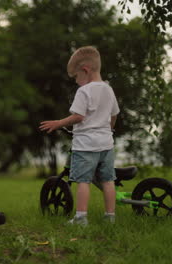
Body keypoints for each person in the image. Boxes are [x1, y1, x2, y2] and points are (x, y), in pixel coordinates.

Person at [39, 46, 120, 226]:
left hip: (86, 146)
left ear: (85, 70)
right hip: (106, 144)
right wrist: (110, 130)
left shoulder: (84, 91)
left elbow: (78, 116)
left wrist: (58, 123)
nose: (76, 81)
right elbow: (114, 115)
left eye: (76, 77)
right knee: (108, 181)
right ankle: (110, 217)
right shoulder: (108, 89)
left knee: (83, 181)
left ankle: (81, 218)